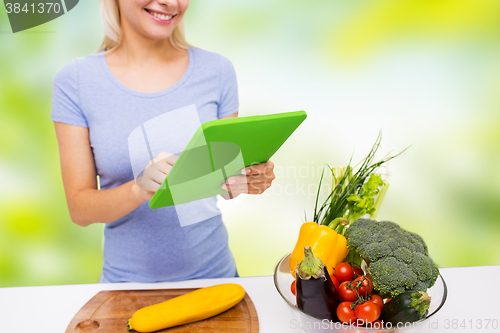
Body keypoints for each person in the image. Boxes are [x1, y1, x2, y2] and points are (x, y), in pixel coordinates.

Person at [51, 0, 275, 283]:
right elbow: (79, 209)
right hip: (126, 287)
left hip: (216, 279)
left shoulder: (217, 71)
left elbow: (223, 183)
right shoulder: (76, 81)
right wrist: (138, 190)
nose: (170, 2)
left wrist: (247, 179)